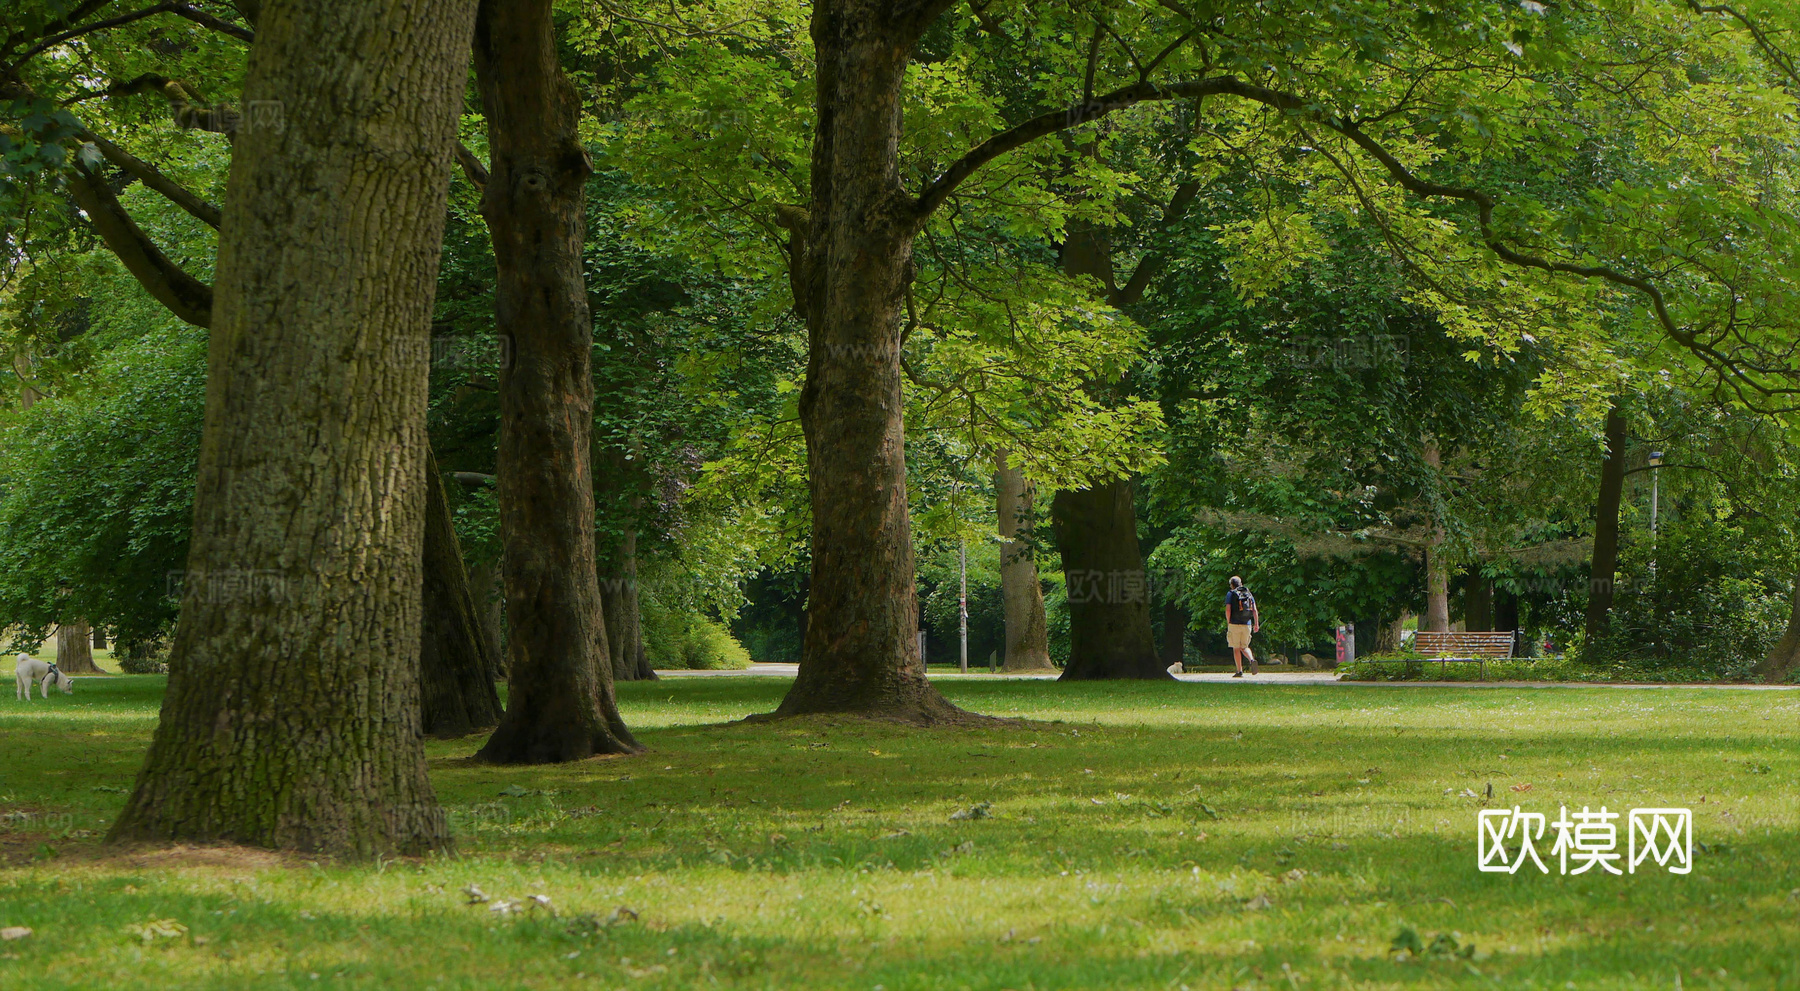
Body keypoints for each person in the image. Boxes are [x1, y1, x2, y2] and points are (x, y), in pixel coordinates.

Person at [1224, 575, 1259, 677]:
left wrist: (1228, 621)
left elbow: (1228, 609)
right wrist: (1256, 623)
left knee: (1236, 648)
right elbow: (1254, 610)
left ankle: (1239, 671)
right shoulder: (1248, 594)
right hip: (1247, 623)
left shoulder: (1230, 594)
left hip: (1234, 624)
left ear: (1231, 585)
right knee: (1244, 647)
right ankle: (1252, 659)